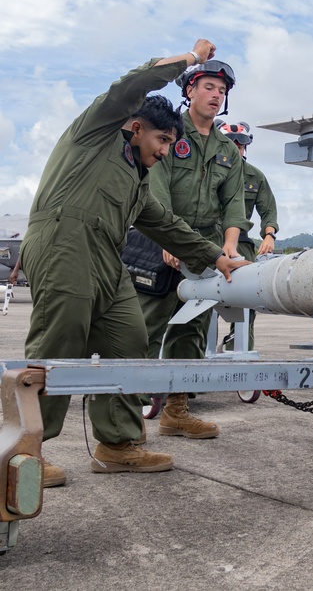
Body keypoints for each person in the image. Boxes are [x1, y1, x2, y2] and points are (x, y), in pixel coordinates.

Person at [19, 40, 245, 487]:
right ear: (136, 126)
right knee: (57, 346)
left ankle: (118, 445)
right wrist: (191, 59)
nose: (165, 151)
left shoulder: (137, 181)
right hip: (63, 241)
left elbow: (166, 223)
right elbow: (133, 84)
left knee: (130, 336)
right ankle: (23, 453)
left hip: (106, 257)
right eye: (162, 140)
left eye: (171, 144)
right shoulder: (97, 131)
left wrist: (218, 258)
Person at [137, 58, 249, 440]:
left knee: (192, 332)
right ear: (190, 91)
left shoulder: (227, 151)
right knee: (145, 328)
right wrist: (170, 239)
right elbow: (156, 185)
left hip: (204, 250)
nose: (216, 95)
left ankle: (177, 411)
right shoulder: (169, 132)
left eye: (222, 91)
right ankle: (123, 418)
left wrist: (229, 246)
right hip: (158, 239)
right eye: (208, 87)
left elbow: (234, 203)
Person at [218, 120, 279, 350]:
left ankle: (240, 353)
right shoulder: (206, 171)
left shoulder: (254, 176)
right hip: (206, 239)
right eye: (229, 143)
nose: (236, 148)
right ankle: (195, 359)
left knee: (246, 305)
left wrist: (269, 235)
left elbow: (268, 210)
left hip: (240, 245)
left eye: (240, 145)